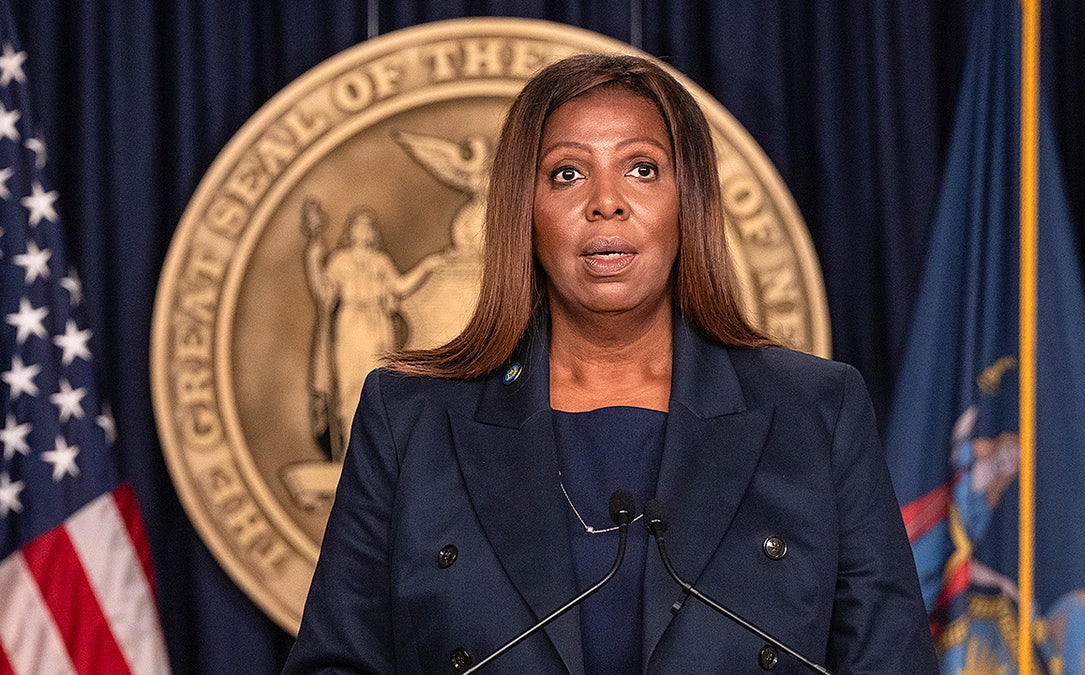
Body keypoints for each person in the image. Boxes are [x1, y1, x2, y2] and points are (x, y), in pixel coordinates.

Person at [283, 53, 938, 673]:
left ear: (690, 202)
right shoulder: (410, 418)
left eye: (642, 168)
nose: (605, 201)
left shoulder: (816, 411)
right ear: (524, 210)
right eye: (567, 173)